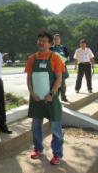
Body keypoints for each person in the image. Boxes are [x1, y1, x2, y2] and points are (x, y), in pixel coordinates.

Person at [25, 32, 64, 165]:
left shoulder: (55, 58)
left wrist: (51, 94)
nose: (41, 43)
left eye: (44, 41)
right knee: (36, 126)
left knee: (55, 128)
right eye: (39, 40)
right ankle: (38, 149)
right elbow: (29, 78)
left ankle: (57, 154)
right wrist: (31, 93)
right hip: (36, 99)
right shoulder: (31, 58)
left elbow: (59, 78)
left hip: (51, 99)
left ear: (50, 44)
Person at [50, 34, 70, 102]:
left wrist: (65, 62)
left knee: (63, 84)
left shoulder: (64, 48)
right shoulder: (50, 48)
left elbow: (67, 58)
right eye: (55, 39)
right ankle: (55, 98)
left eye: (58, 39)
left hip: (62, 68)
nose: (56, 40)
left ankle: (63, 97)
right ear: (53, 40)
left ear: (60, 40)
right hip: (54, 69)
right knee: (54, 83)